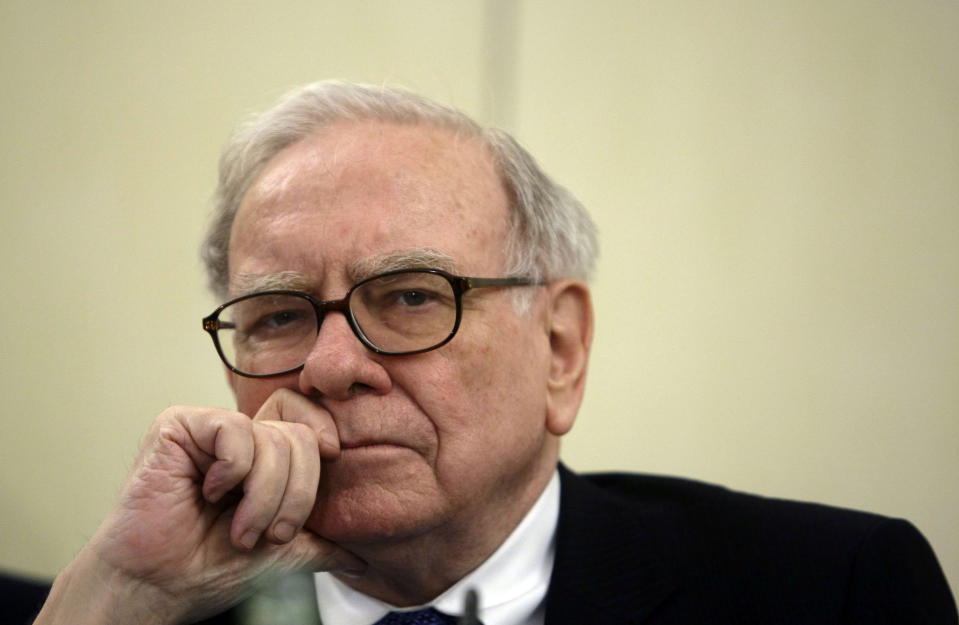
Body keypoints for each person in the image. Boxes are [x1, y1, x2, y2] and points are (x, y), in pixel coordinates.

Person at [26, 81, 956, 625]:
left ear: (558, 349)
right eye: (276, 315)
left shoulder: (827, 595)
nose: (329, 366)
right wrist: (123, 591)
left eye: (408, 297)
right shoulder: (114, 608)